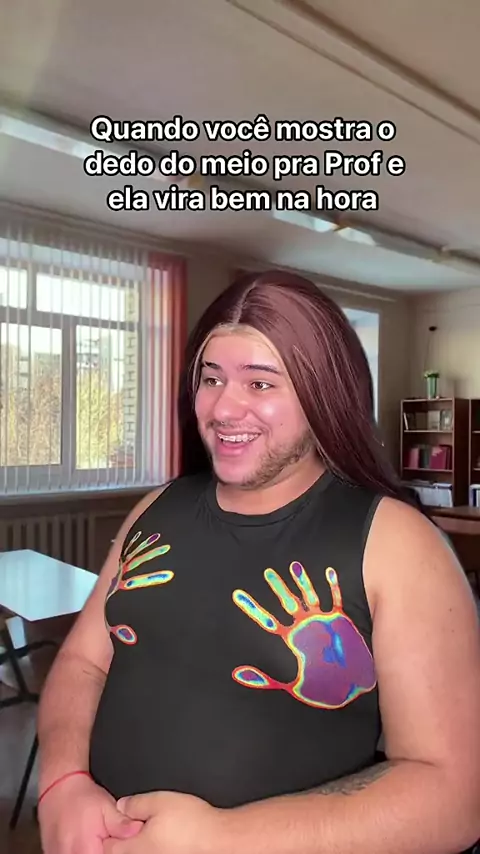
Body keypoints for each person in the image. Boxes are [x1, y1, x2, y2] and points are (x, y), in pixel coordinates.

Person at [37, 270, 480, 854]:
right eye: (211, 378)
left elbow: (453, 797)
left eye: (260, 382)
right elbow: (83, 663)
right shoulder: (155, 509)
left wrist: (223, 839)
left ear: (323, 393)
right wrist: (62, 783)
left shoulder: (398, 544)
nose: (224, 407)